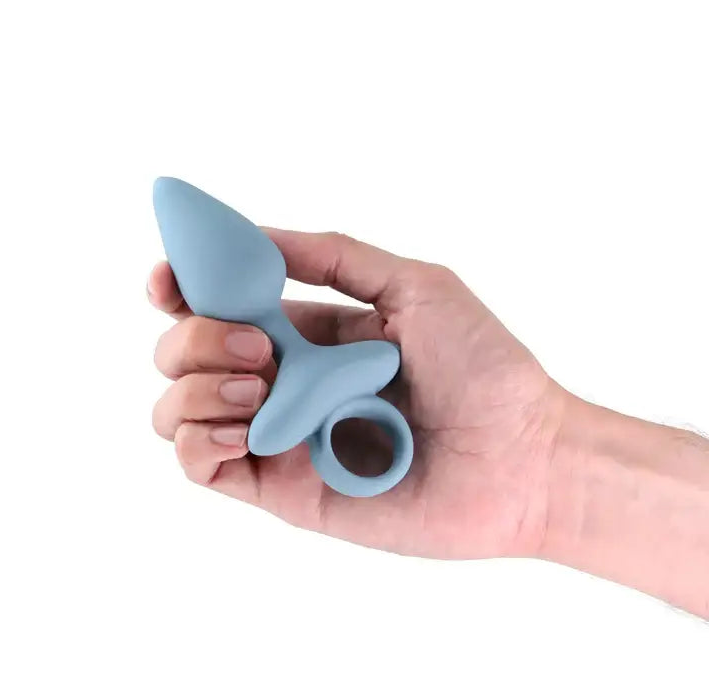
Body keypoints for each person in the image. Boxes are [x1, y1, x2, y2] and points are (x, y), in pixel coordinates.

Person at [147, 228, 709, 619]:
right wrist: (543, 473)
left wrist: (545, 462)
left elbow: (273, 431)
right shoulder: (365, 364)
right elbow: (277, 426)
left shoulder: (355, 372)